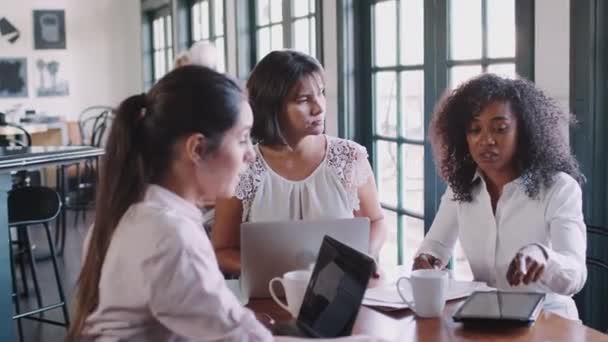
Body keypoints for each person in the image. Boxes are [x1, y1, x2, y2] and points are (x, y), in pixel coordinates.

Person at [67, 65, 380, 341]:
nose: (251, 154)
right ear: (197, 149)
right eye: (243, 138)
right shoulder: (169, 235)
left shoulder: (143, 213)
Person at [413, 73, 587, 320]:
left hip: (548, 322)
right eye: (475, 129)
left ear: (523, 131)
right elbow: (436, 245)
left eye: (500, 128)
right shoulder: (461, 187)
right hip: (485, 319)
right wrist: (427, 259)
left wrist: (544, 258)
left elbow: (575, 275)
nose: (486, 140)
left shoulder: (559, 188)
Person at [213, 50, 386, 276]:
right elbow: (222, 250)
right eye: (304, 99)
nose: (319, 107)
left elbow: (376, 221)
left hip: (338, 296)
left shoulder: (349, 157)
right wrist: (275, 272)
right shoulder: (243, 168)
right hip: (268, 298)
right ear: (271, 106)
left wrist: (365, 257)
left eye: (321, 93)